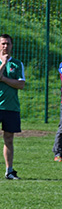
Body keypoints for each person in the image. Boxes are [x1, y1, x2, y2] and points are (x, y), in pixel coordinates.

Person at [0, 34, 25, 180]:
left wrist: (3, 79)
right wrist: (3, 64)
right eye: (3, 43)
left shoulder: (17, 64)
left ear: (12, 45)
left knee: (9, 139)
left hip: (11, 107)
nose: (5, 46)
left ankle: (9, 171)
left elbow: (20, 84)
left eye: (8, 44)